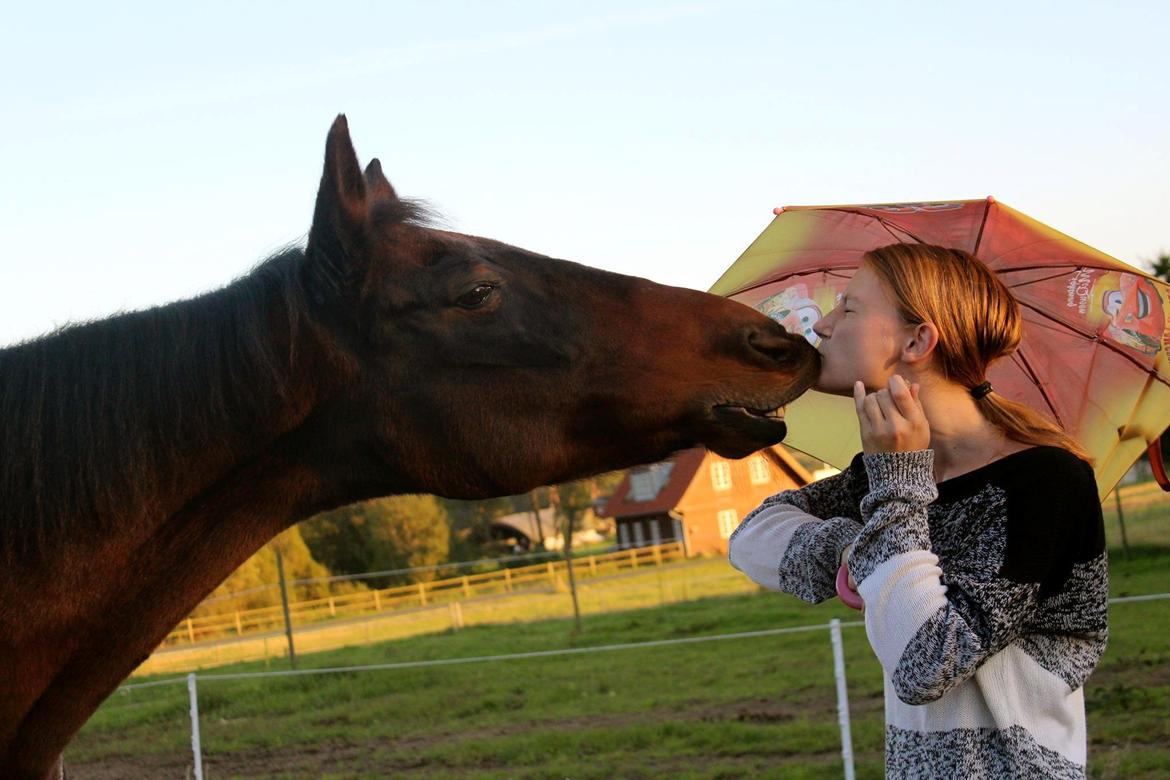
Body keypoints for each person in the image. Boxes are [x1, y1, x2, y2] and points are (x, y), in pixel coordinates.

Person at [728, 242, 1107, 779]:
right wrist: (856, 548)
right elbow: (748, 540)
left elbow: (926, 665)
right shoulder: (882, 475)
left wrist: (897, 490)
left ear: (918, 340)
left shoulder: (1046, 482)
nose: (824, 326)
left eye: (849, 308)